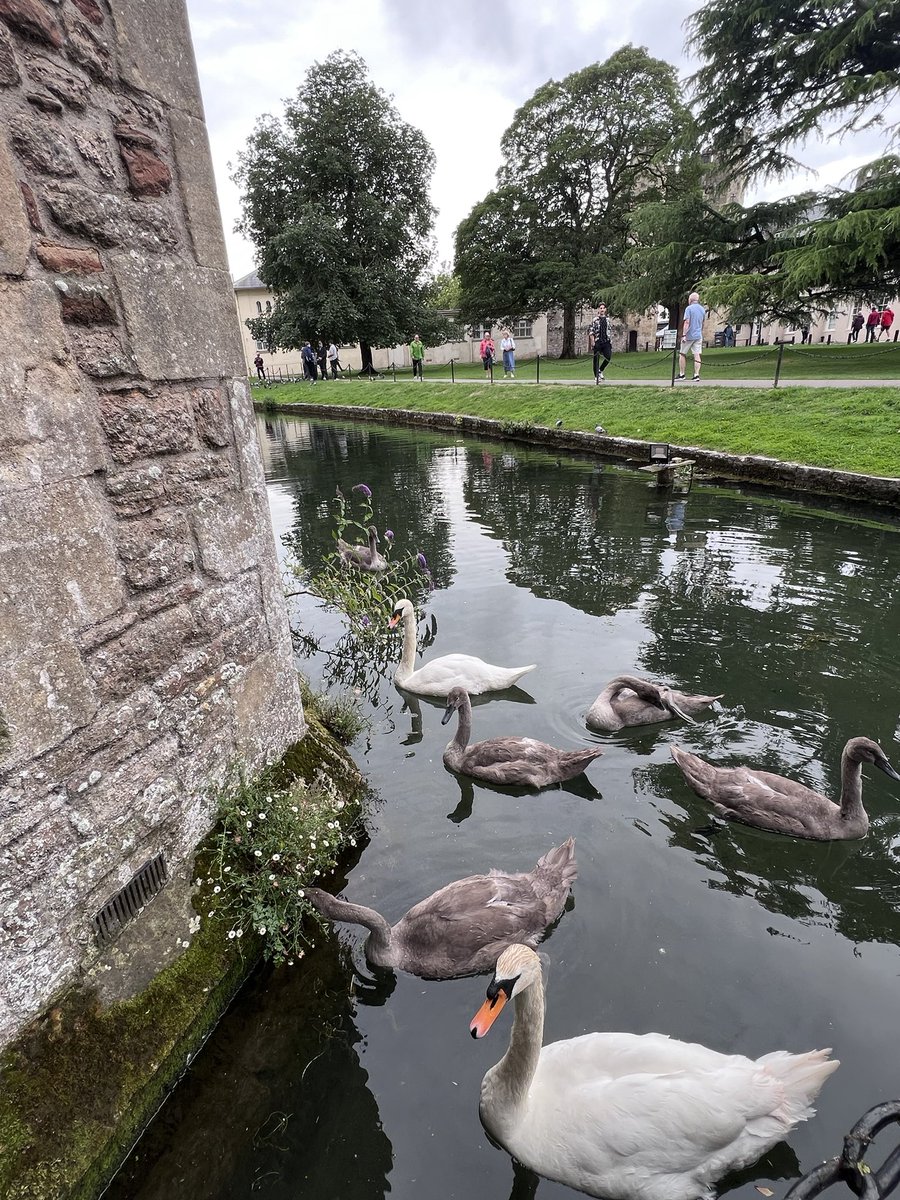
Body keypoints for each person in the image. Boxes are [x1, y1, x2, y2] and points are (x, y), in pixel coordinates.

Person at [677, 291, 706, 381]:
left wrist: (684, 335)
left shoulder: (689, 309)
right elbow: (703, 323)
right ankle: (696, 375)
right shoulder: (702, 309)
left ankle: (682, 374)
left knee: (682, 354)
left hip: (689, 335)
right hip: (698, 335)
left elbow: (687, 322)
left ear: (690, 300)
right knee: (697, 354)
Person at [588, 303, 613, 381]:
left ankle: (600, 370)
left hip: (606, 341)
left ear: (605, 309)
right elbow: (591, 331)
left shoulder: (608, 320)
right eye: (600, 308)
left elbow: (609, 331)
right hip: (598, 341)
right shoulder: (595, 320)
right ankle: (596, 376)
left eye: (603, 308)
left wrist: (610, 341)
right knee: (596, 359)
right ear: (598, 309)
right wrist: (593, 342)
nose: (602, 310)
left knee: (608, 357)